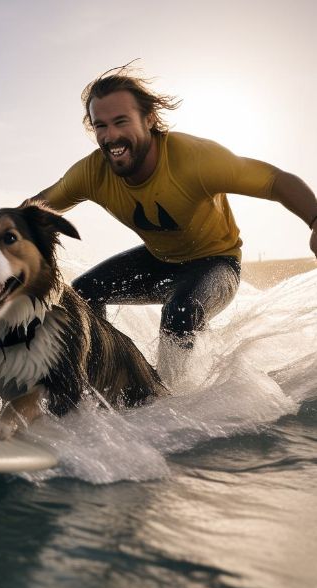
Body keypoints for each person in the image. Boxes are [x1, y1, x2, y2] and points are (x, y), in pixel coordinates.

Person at [27, 65, 317, 389]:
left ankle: (167, 400)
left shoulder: (192, 159)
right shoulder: (93, 172)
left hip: (216, 263)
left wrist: (315, 220)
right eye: (101, 126)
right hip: (158, 260)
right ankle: (101, 382)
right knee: (81, 296)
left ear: (149, 119)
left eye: (121, 121)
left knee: (181, 311)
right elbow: (32, 212)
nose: (110, 137)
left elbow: (275, 181)